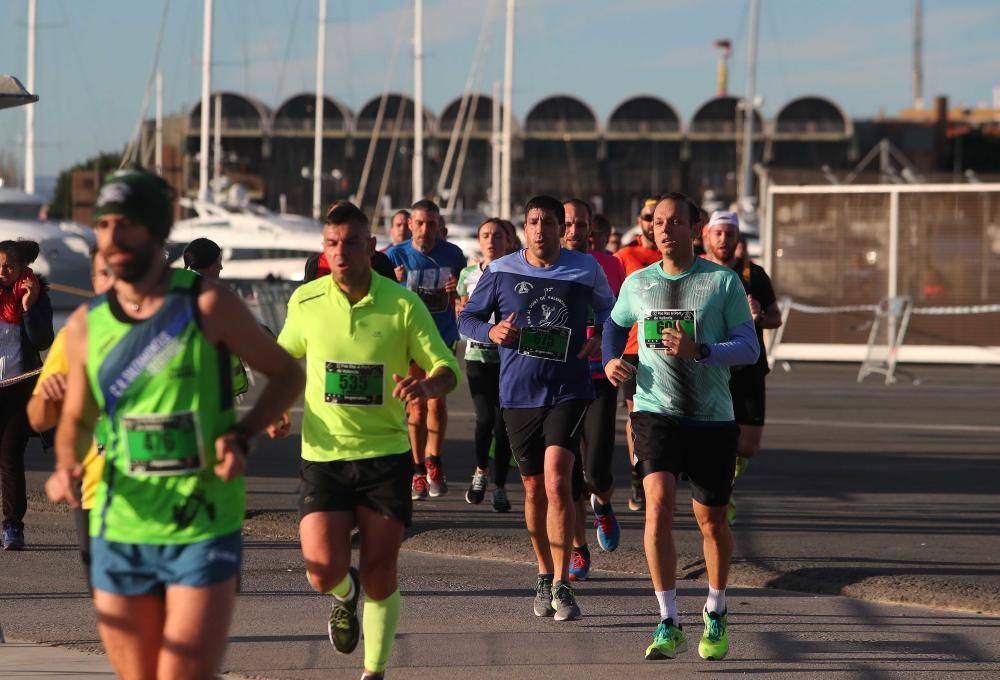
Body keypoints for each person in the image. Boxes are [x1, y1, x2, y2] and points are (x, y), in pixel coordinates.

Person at [45, 168, 304, 680]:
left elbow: (285, 372)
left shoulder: (207, 303)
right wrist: (66, 464)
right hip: (120, 526)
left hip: (201, 524)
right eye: (103, 225)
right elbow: (75, 417)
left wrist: (243, 433)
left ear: (158, 232)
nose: (113, 236)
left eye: (127, 223)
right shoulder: (84, 327)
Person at [273, 202, 460, 680]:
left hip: (385, 458)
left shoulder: (401, 304)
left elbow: (445, 365)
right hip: (324, 455)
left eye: (350, 243)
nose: (340, 253)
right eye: (331, 243)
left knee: (381, 571)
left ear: (370, 247)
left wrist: (427, 385)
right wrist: (273, 406)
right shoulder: (306, 301)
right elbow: (281, 358)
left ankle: (373, 671)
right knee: (321, 570)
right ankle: (342, 594)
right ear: (323, 248)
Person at [602, 193, 759, 662]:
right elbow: (614, 324)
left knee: (710, 520)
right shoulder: (638, 283)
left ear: (696, 228)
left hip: (711, 415)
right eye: (659, 223)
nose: (665, 230)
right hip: (654, 410)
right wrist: (612, 359)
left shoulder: (722, 282)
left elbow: (748, 348)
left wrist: (700, 352)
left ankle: (716, 608)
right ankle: (668, 620)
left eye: (676, 222)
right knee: (657, 508)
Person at [460, 195, 615, 622]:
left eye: (550, 221)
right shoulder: (502, 270)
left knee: (556, 481)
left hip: (568, 388)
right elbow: (467, 319)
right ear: (525, 228)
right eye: (534, 221)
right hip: (518, 392)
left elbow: (612, 310)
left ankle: (564, 584)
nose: (542, 229)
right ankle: (544, 573)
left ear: (561, 227)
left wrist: (601, 335)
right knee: (531, 488)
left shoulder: (584, 268)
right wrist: (492, 330)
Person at [29, 246, 113, 581]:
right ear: (94, 280)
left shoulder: (178, 331)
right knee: (110, 607)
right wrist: (51, 400)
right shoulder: (76, 334)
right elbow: (37, 418)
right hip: (94, 489)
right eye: (105, 273)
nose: (116, 281)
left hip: (165, 492)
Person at [700, 211, 781, 525]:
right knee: (712, 433)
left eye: (729, 234)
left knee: (747, 445)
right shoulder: (699, 271)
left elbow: (776, 317)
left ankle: (726, 478)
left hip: (748, 366)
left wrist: (759, 315)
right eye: (718, 233)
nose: (723, 240)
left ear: (737, 238)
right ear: (707, 235)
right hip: (711, 365)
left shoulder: (753, 274)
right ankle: (719, 493)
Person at [561, 199, 625, 582]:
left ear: (591, 229)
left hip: (599, 376)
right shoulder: (547, 266)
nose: (573, 230)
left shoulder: (610, 265)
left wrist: (602, 336)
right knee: (568, 475)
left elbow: (618, 315)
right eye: (566, 223)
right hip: (561, 379)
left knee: (597, 469)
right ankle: (578, 547)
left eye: (579, 224)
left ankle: (602, 501)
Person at [386, 199, 467, 500]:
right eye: (419, 223)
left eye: (431, 223)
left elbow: (466, 289)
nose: (425, 229)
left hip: (441, 336)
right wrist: (390, 281)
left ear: (438, 226)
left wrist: (457, 288)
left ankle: (435, 461)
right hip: (407, 339)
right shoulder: (395, 255)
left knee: (437, 402)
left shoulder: (453, 254)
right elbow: (375, 290)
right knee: (416, 405)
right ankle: (417, 468)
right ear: (410, 224)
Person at [0, 239, 54, 550]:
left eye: (8, 265)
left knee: (9, 456)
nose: (2, 271)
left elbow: (43, 339)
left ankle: (13, 525)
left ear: (22, 268)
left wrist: (29, 306)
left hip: (20, 387)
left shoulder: (35, 295)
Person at [456, 218, 512, 512]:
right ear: (479, 241)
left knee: (503, 424)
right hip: (477, 356)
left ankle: (500, 486)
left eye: (498, 236)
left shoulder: (515, 270)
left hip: (507, 359)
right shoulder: (467, 273)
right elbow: (462, 308)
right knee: (484, 419)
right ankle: (480, 472)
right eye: (486, 235)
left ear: (509, 240)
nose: (492, 241)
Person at [613, 198, 662, 512]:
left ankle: (660, 470)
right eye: (648, 217)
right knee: (638, 417)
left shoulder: (671, 255)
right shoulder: (626, 255)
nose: (652, 224)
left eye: (657, 218)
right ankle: (639, 474)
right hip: (633, 349)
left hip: (668, 347)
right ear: (640, 220)